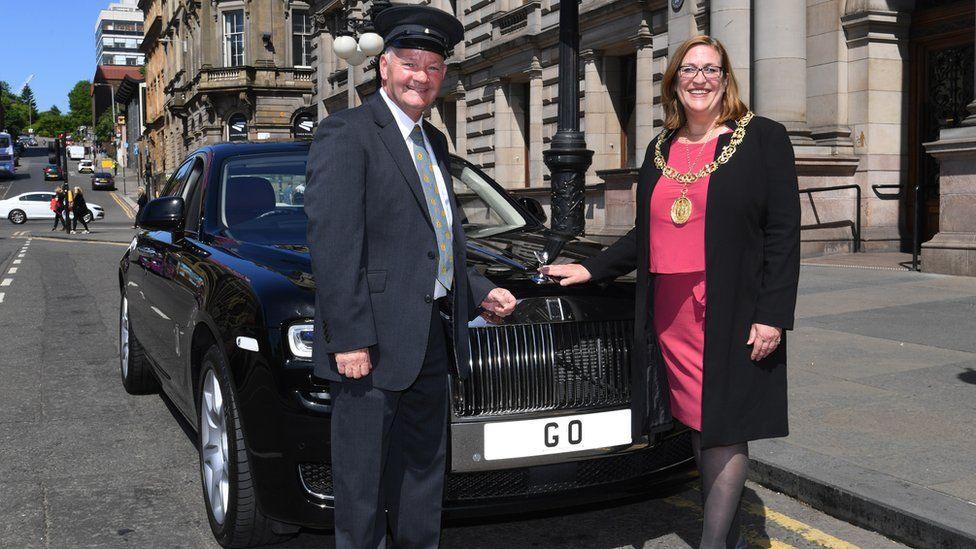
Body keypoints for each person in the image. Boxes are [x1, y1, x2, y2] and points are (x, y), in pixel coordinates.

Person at [541, 35, 800, 549]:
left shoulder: (762, 138)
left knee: (723, 423)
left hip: (729, 308)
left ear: (725, 79)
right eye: (689, 69)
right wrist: (589, 270)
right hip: (670, 314)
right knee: (700, 421)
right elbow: (646, 233)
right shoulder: (660, 149)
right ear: (674, 81)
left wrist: (772, 315)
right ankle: (726, 538)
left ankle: (713, 541)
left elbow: (783, 233)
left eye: (711, 69)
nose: (699, 78)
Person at [303, 6, 517, 548]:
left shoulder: (433, 144)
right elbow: (334, 245)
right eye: (409, 63)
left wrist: (477, 288)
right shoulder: (346, 133)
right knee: (363, 488)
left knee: (423, 479)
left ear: (442, 75)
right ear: (384, 67)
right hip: (369, 346)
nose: (420, 76)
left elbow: (435, 242)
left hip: (431, 339)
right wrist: (349, 338)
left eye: (432, 66)